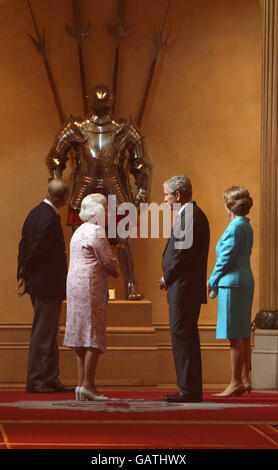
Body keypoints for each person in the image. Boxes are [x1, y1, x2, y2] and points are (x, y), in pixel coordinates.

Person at [46, 84, 153, 300]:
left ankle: (131, 285)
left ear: (112, 101)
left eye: (106, 101)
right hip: (83, 188)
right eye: (99, 101)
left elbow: (141, 164)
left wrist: (142, 192)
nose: (102, 104)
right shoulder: (76, 127)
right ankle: (75, 285)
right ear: (90, 101)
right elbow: (55, 157)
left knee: (123, 240)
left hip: (116, 187)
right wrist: (58, 183)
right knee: (80, 240)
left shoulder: (125, 129)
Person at [17, 179, 74, 393]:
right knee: (43, 333)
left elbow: (23, 246)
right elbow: (38, 248)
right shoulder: (50, 218)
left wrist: (21, 275)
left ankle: (50, 377)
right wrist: (26, 273)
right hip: (47, 284)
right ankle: (36, 379)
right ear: (64, 198)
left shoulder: (34, 213)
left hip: (36, 282)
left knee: (48, 332)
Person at [63, 193, 119, 401]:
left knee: (80, 336)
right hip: (90, 286)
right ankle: (88, 385)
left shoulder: (78, 231)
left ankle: (81, 384)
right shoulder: (96, 231)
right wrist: (116, 269)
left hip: (75, 286)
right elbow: (108, 260)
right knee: (93, 334)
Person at [159, 175, 210, 403]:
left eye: (167, 195)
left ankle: (188, 390)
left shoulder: (189, 216)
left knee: (182, 337)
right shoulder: (191, 215)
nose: (165, 199)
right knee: (186, 336)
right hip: (184, 287)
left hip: (183, 288)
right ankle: (190, 388)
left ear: (178, 195)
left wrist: (166, 277)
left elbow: (180, 254)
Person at [207, 186, 254, 397]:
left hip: (232, 284)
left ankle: (235, 382)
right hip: (245, 280)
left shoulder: (234, 227)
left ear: (229, 206)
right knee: (243, 333)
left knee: (234, 336)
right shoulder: (246, 226)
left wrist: (211, 281)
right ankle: (245, 379)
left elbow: (224, 259)